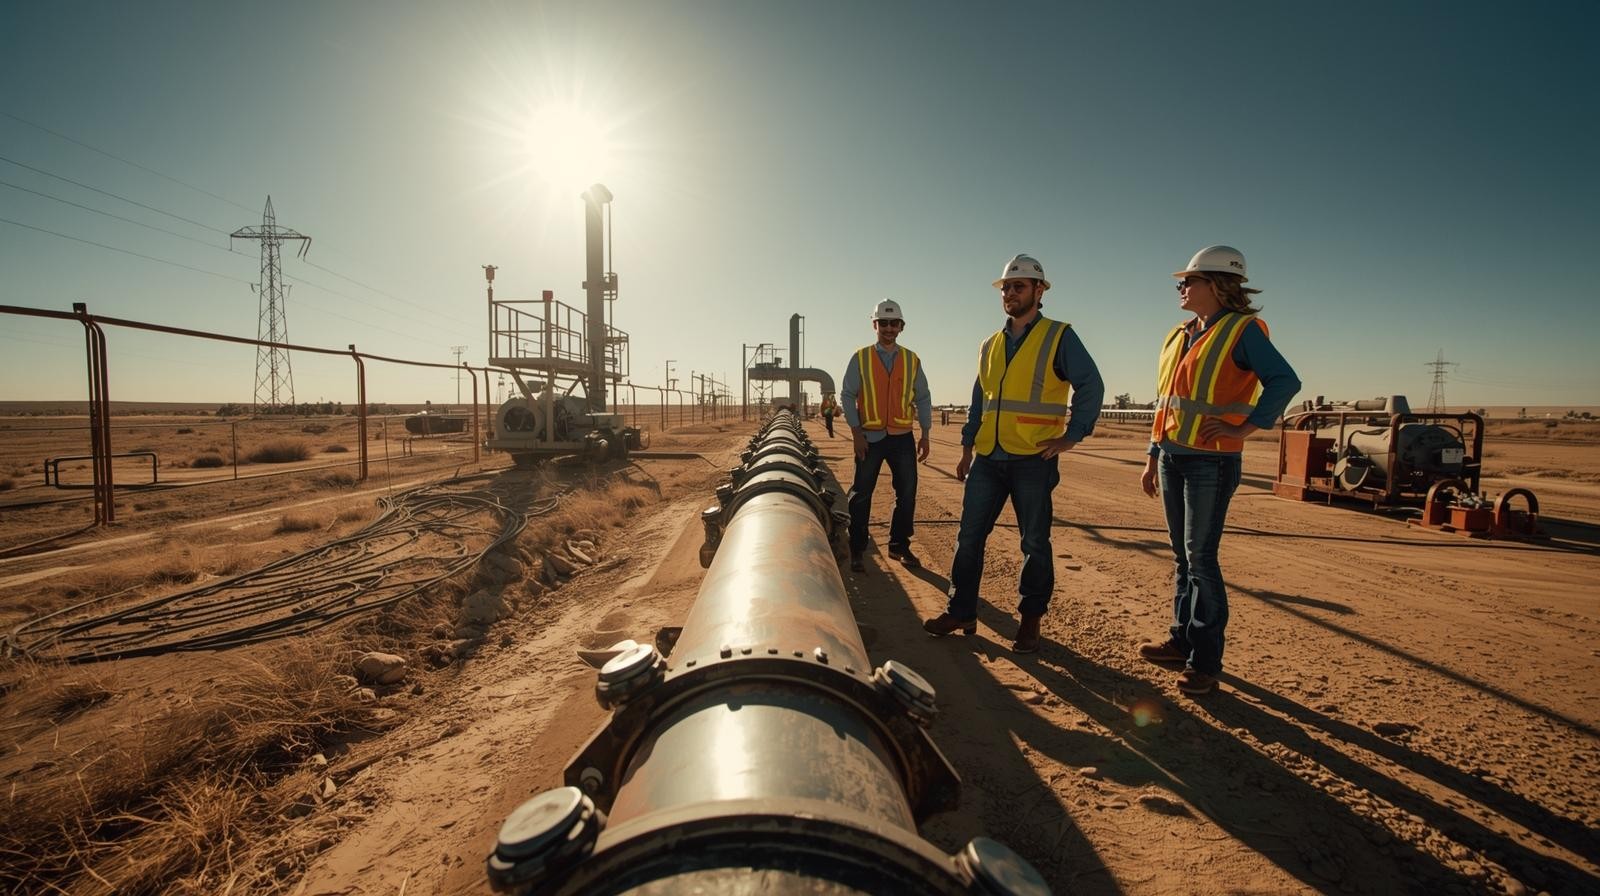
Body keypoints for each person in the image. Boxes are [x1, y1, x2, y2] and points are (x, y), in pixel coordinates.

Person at [1137, 246, 1300, 695]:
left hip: (1212, 460)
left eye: (1188, 281)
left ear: (1216, 284)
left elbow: (1285, 381)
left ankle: (1205, 661)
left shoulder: (1242, 331)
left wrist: (1247, 426)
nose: (1181, 288)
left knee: (1201, 558)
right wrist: (1152, 456)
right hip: (1172, 455)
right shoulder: (1180, 335)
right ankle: (1180, 640)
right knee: (1182, 556)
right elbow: (1166, 403)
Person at [923, 254, 1103, 653]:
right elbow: (979, 401)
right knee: (968, 538)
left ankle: (1030, 621)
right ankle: (961, 610)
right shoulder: (989, 344)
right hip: (988, 457)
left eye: (1018, 286)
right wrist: (967, 447)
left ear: (1039, 291)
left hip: (1032, 460)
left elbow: (1091, 385)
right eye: (1006, 287)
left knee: (1034, 542)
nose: (1009, 293)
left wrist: (1072, 435)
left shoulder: (1059, 336)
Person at [839, 299, 932, 573]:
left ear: (901, 327)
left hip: (902, 437)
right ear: (874, 325)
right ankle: (857, 547)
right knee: (861, 493)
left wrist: (925, 434)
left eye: (894, 323)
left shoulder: (911, 360)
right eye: (884, 323)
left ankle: (899, 546)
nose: (889, 328)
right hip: (869, 437)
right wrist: (856, 432)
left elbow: (924, 397)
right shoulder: (861, 358)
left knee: (907, 493)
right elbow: (847, 395)